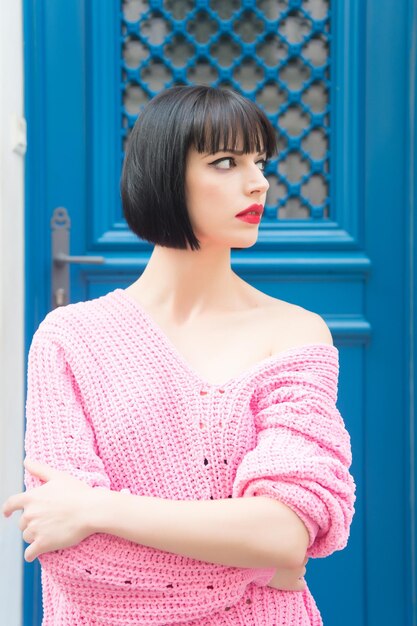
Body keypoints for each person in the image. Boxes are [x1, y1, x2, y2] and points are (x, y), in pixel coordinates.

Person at [2, 85, 356, 625]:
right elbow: (75, 560)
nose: (258, 181)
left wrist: (101, 509)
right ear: (164, 173)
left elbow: (286, 530)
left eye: (259, 161)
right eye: (225, 162)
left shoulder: (295, 334)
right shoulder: (70, 338)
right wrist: (260, 567)